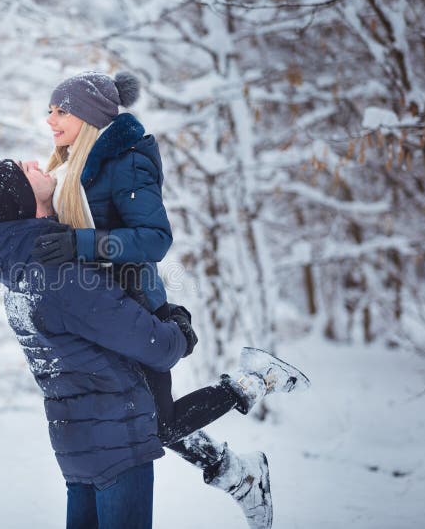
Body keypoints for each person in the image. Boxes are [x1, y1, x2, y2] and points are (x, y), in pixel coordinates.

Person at [28, 71, 311, 529]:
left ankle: (255, 384)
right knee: (141, 426)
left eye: (62, 110)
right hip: (103, 313)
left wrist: (82, 245)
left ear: (91, 116)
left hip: (135, 312)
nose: (50, 119)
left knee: (153, 426)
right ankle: (240, 476)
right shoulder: (68, 167)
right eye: (50, 109)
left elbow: (154, 239)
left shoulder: (125, 161)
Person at [0, 159, 309, 529]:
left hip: (77, 447)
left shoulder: (18, 278)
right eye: (24, 169)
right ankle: (255, 385)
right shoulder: (60, 278)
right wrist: (179, 327)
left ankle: (243, 445)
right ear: (22, 201)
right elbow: (158, 347)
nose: (35, 162)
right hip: (117, 447)